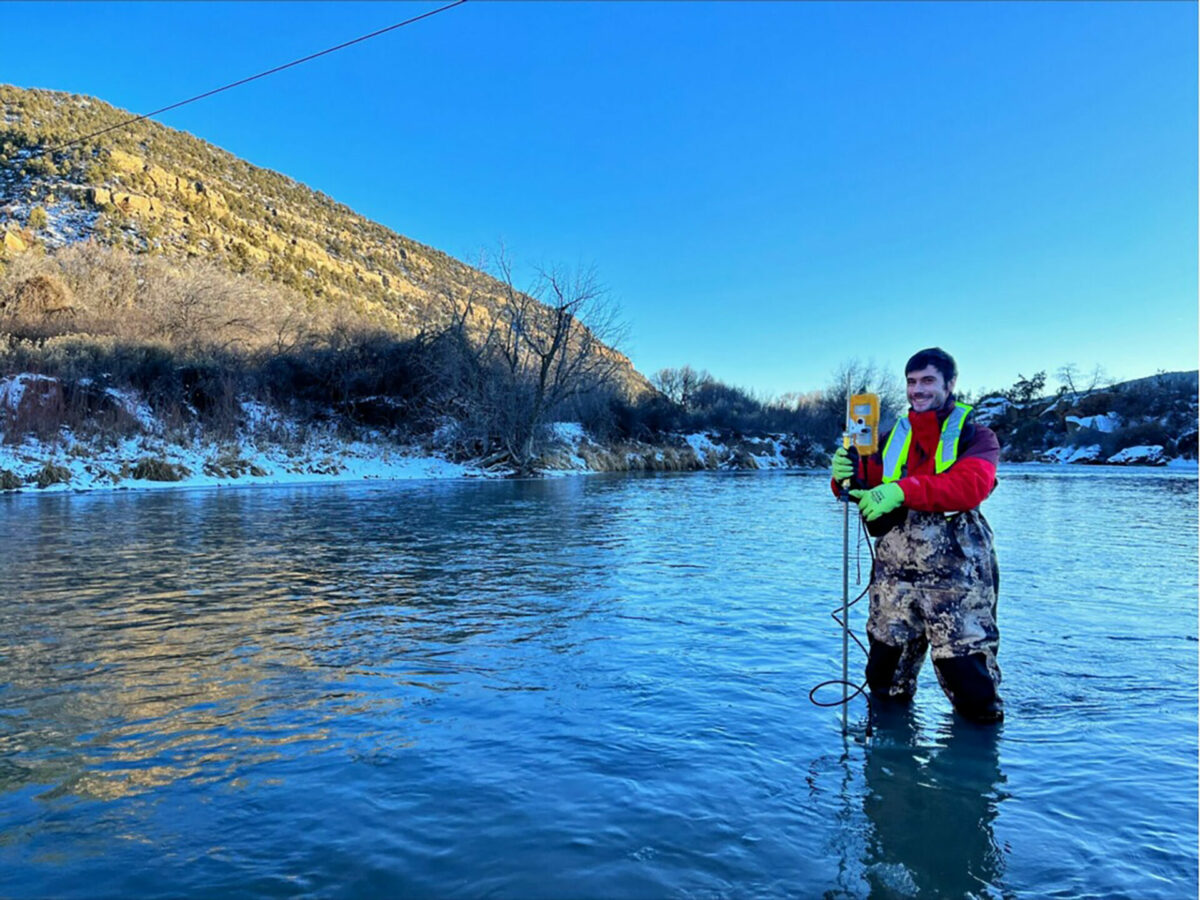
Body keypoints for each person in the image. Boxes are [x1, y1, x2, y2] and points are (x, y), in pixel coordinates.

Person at [830, 347, 1004, 722]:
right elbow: (862, 486)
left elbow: (970, 486)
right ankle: (888, 770)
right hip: (894, 573)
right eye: (911, 382)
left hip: (957, 575)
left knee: (974, 696)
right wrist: (842, 474)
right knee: (884, 681)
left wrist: (901, 491)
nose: (917, 390)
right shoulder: (892, 437)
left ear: (950, 384)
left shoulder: (978, 437)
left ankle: (973, 772)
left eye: (927, 381)